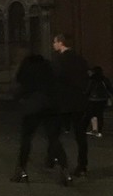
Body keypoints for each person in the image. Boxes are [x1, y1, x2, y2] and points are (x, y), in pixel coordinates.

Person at [11, 52, 69, 184]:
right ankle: (65, 170)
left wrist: (20, 98)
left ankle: (22, 171)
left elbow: (20, 85)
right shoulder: (49, 69)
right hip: (51, 106)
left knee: (26, 139)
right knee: (54, 139)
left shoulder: (26, 69)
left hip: (33, 106)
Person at [52, 33, 90, 176]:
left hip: (63, 102)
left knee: (54, 132)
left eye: (54, 42)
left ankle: (58, 160)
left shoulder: (59, 60)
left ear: (61, 43)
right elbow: (86, 78)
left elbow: (55, 80)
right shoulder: (80, 59)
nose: (53, 45)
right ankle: (82, 164)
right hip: (79, 101)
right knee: (80, 135)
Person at [86, 66, 112, 137]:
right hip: (103, 99)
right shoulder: (104, 79)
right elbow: (110, 88)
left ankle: (94, 129)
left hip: (92, 99)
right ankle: (99, 131)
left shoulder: (91, 79)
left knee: (93, 115)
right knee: (100, 114)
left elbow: (88, 89)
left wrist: (85, 95)